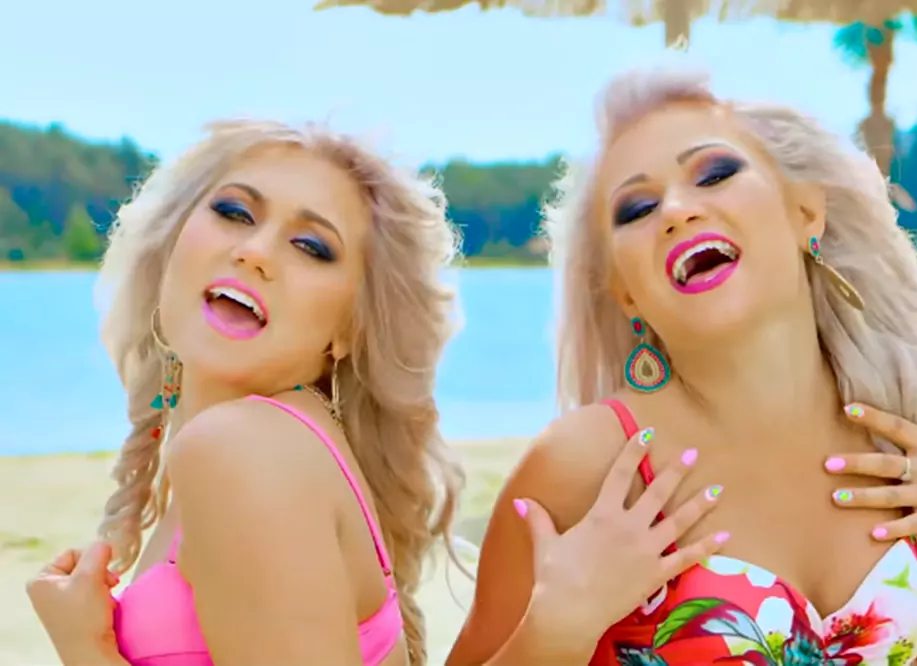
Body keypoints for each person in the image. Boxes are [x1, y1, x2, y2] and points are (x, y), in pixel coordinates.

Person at [23, 118, 729, 666]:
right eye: (235, 212)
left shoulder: (240, 450)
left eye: (312, 247)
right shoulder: (276, 445)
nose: (255, 252)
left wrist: (89, 653)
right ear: (172, 243)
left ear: (348, 331)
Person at [447, 67, 917, 666]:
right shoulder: (588, 465)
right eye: (637, 208)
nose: (677, 210)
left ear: (805, 213)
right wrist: (556, 630)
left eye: (714, 173)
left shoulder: (905, 404)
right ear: (625, 294)